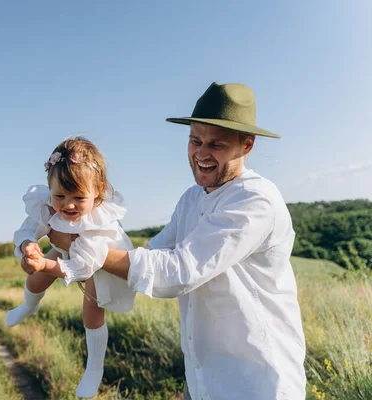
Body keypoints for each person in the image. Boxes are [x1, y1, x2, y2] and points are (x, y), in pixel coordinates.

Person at [25, 83, 307, 400]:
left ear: (246, 146)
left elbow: (177, 273)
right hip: (204, 379)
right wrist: (84, 237)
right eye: (195, 141)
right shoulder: (191, 199)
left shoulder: (254, 200)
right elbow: (151, 256)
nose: (201, 154)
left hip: (256, 381)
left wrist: (83, 249)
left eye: (216, 145)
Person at [8, 136, 136, 398]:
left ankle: (94, 368)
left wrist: (46, 262)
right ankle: (28, 307)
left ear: (97, 191)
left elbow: (83, 266)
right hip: (68, 248)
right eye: (60, 196)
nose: (68, 205)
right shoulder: (47, 204)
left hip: (97, 261)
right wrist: (28, 247)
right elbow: (28, 228)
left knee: (91, 309)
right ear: (49, 188)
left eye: (78, 197)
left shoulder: (100, 223)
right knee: (35, 280)